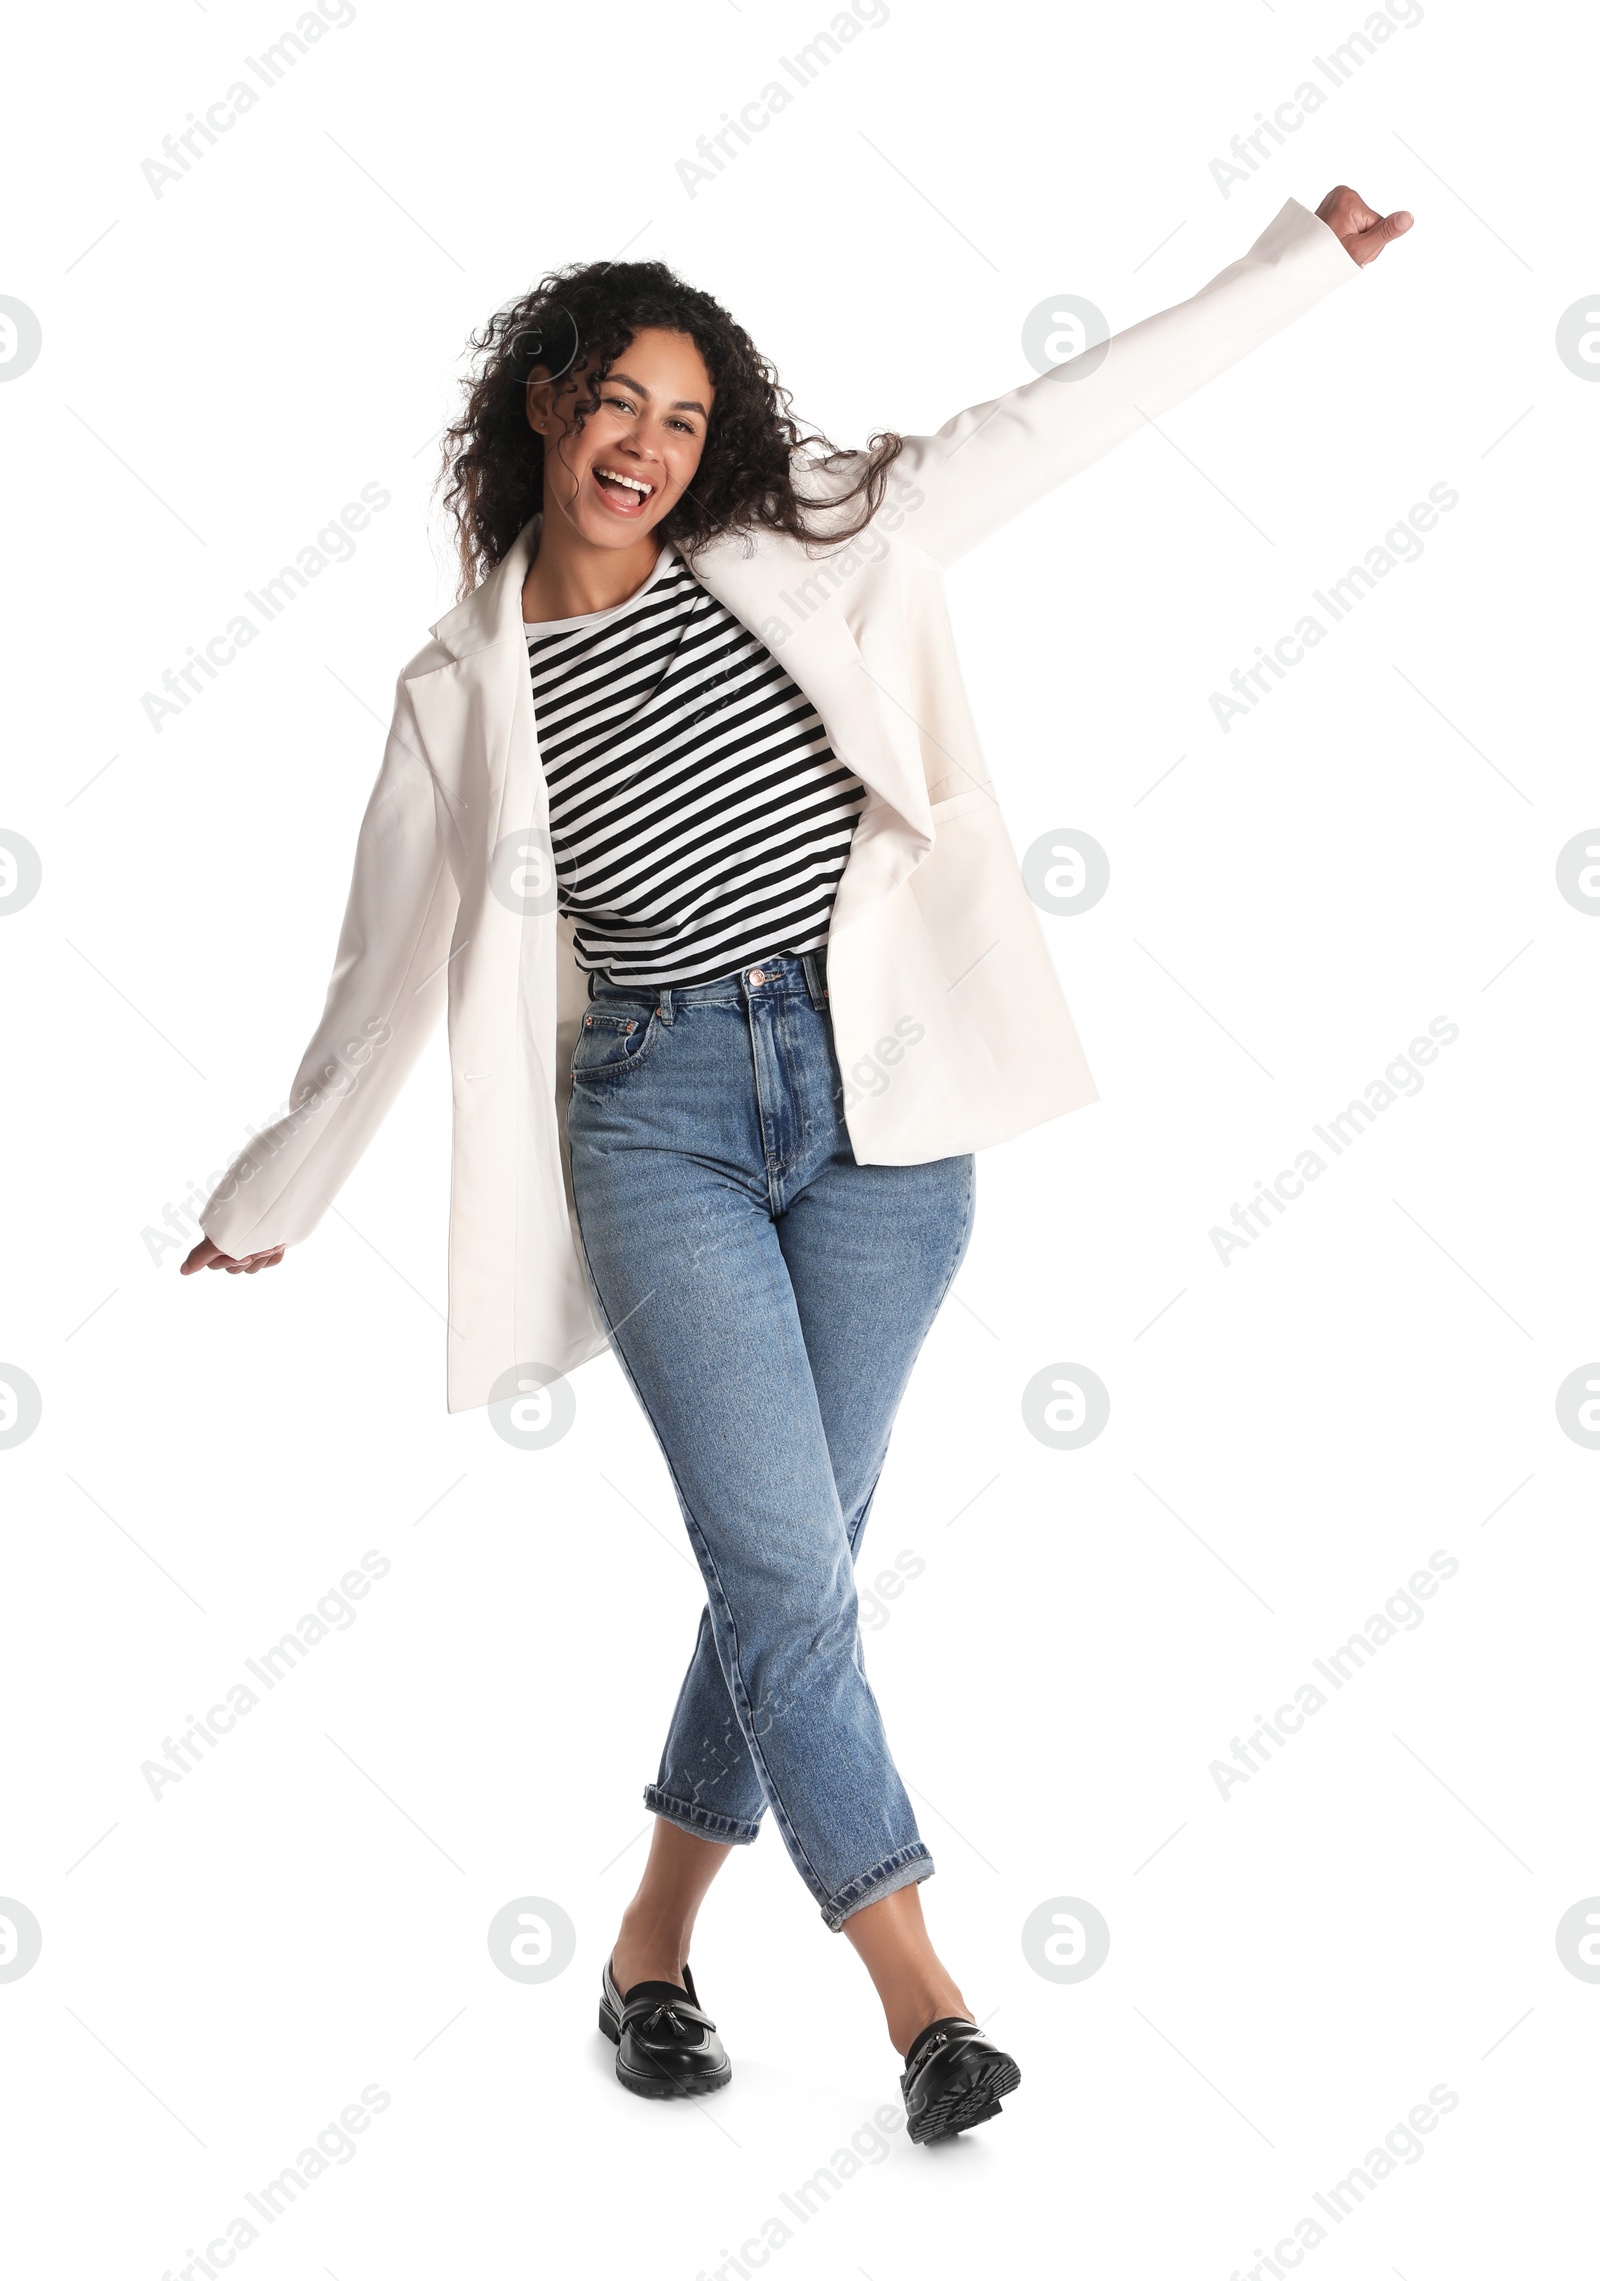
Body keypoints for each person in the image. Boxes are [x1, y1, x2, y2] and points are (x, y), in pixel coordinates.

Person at [183, 184, 1412, 2143]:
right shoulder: (456, 689)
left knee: (788, 1579)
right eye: (612, 404)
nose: (644, 449)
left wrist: (1289, 273)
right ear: (534, 406)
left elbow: (1047, 426)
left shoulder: (807, 541)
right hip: (653, 1124)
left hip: (882, 1120)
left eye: (680, 418)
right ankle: (923, 1998)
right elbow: (382, 970)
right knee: (782, 1570)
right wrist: (275, 1190)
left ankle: (650, 1947)